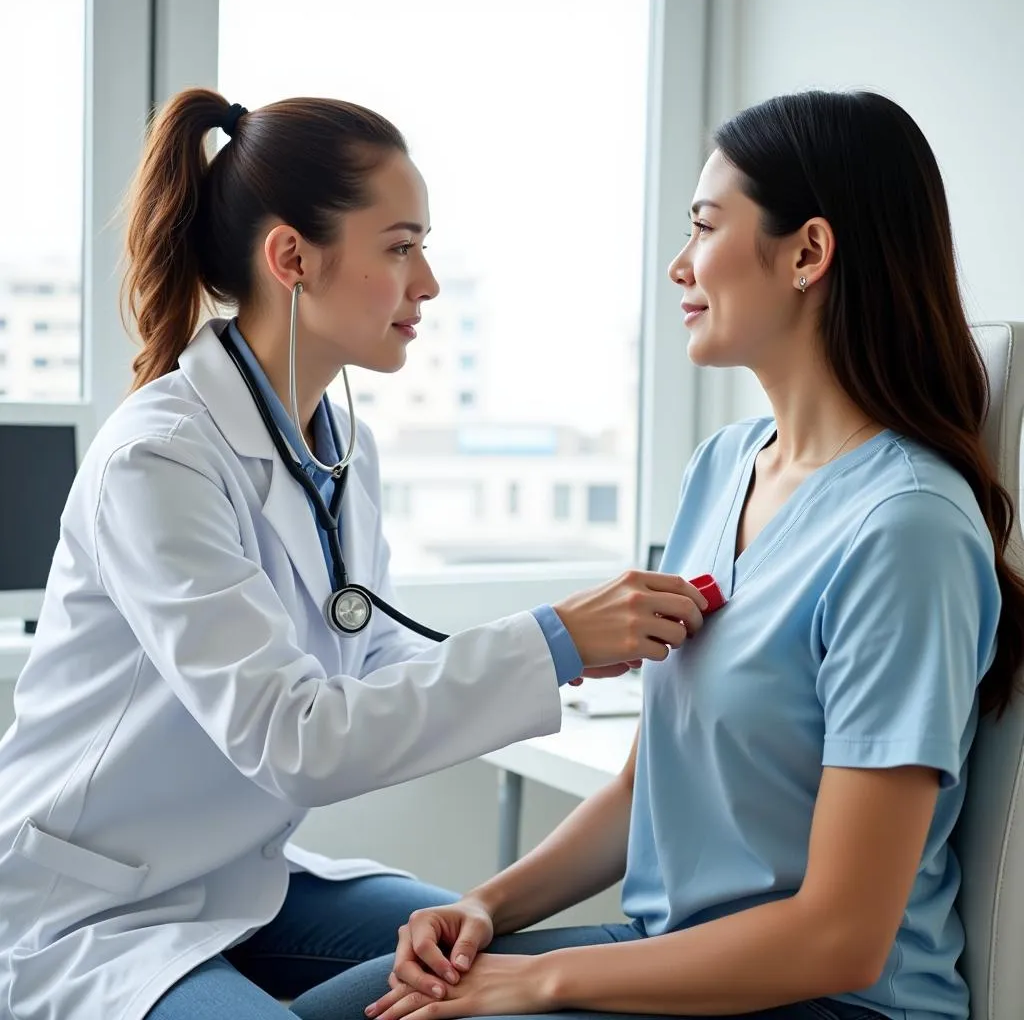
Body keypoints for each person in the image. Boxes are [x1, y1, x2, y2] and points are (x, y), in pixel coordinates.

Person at [287, 90, 1024, 1020]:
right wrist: (481, 906)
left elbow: (841, 935)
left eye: (706, 226)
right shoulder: (723, 470)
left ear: (808, 252)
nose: (680, 264)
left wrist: (535, 978)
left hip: (831, 1003)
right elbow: (647, 787)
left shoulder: (906, 529)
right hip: (672, 959)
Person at [0, 88, 713, 1020]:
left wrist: (572, 655)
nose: (428, 283)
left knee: (485, 961)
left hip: (247, 882)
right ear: (292, 256)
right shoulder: (158, 459)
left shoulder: (337, 442)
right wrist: (551, 642)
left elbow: (367, 656)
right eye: (401, 247)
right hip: (98, 911)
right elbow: (293, 738)